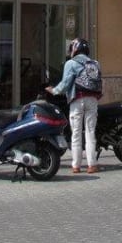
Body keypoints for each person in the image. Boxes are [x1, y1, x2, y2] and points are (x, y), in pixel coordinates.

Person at [46, 39, 103, 175]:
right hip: (92, 100)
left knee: (76, 133)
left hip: (77, 100)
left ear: (74, 49)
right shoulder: (95, 63)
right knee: (90, 132)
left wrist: (54, 90)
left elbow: (65, 84)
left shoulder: (71, 63)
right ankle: (92, 165)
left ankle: (76, 166)